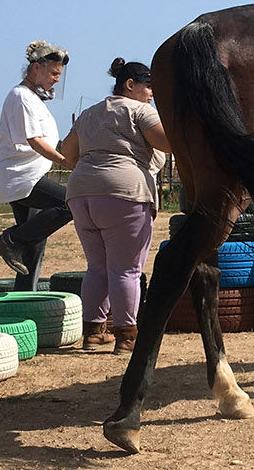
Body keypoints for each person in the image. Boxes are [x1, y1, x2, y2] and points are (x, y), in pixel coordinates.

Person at [59, 58, 171, 352]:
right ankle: (126, 337)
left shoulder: (89, 113)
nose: (151, 94)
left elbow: (67, 152)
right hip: (125, 193)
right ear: (130, 85)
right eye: (148, 87)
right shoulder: (140, 110)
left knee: (97, 268)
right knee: (127, 270)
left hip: (81, 194)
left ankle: (94, 333)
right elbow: (168, 143)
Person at [0, 41, 74, 289]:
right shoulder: (21, 97)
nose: (57, 80)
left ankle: (24, 296)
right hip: (21, 176)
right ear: (36, 68)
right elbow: (34, 141)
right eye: (54, 73)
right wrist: (65, 161)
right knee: (68, 203)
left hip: (26, 174)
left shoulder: (32, 98)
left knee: (34, 241)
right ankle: (9, 240)